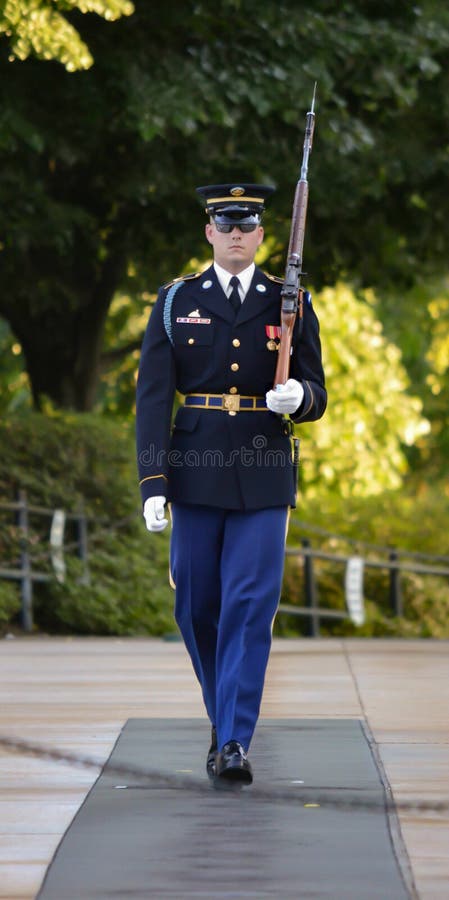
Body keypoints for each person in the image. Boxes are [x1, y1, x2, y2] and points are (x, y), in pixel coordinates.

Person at [136, 183, 326, 785]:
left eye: (248, 225)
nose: (237, 234)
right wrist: (152, 480)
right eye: (227, 224)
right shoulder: (175, 301)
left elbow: (318, 390)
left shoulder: (289, 300)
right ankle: (224, 723)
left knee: (249, 604)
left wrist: (301, 398)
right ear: (210, 233)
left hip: (265, 470)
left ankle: (235, 738)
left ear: (264, 235)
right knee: (195, 606)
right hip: (194, 471)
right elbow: (153, 399)